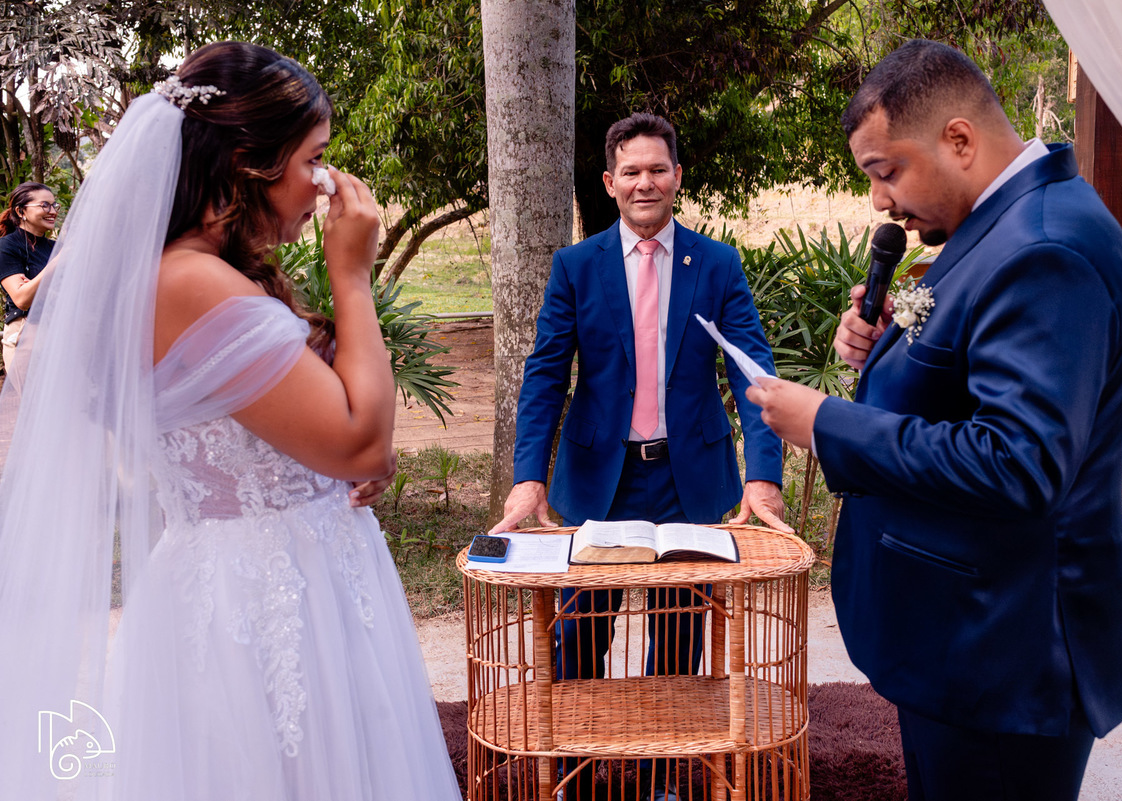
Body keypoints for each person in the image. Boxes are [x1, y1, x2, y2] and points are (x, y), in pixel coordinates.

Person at [0, 42, 459, 800]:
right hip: (263, 605)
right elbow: (361, 439)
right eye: (314, 158)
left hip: (294, 576)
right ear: (250, 159)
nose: (324, 183)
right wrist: (351, 272)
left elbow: (325, 436)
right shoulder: (191, 281)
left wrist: (335, 461)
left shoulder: (200, 272)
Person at [747, 40, 1122, 801]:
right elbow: (973, 373)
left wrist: (828, 423)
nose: (880, 201)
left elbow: (1018, 460)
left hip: (1004, 653)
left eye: (885, 170)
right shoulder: (1005, 220)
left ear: (958, 139)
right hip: (962, 636)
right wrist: (893, 346)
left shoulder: (1047, 248)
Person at [490, 113, 789, 800]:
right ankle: (575, 775)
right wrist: (528, 480)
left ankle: (661, 781)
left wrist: (764, 474)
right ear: (609, 182)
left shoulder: (716, 263)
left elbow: (752, 371)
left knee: (677, 641)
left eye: (658, 169)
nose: (645, 182)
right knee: (579, 639)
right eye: (631, 171)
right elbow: (544, 375)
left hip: (691, 481)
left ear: (678, 178)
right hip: (600, 479)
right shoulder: (576, 266)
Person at [0, 181, 58, 369]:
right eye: (44, 205)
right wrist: (57, 264)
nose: (53, 211)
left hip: (59, 333)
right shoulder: (7, 245)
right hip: (27, 335)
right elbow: (22, 298)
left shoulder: (55, 248)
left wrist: (34, 283)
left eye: (54, 205)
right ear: (20, 211)